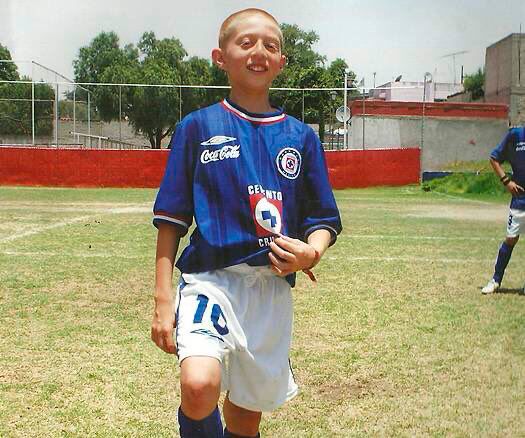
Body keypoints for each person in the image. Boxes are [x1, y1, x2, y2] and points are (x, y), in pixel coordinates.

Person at [150, 8, 342, 438]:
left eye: (270, 45)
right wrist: (164, 301)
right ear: (221, 57)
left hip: (270, 290)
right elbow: (171, 220)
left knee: (245, 414)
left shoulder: (301, 137)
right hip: (209, 279)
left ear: (281, 62)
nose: (259, 52)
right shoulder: (197, 127)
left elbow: (324, 219)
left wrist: (312, 251)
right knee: (199, 385)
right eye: (246, 43)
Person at [482, 124, 525, 294]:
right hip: (520, 199)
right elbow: (494, 158)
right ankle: (496, 280)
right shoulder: (516, 135)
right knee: (511, 238)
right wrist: (507, 181)